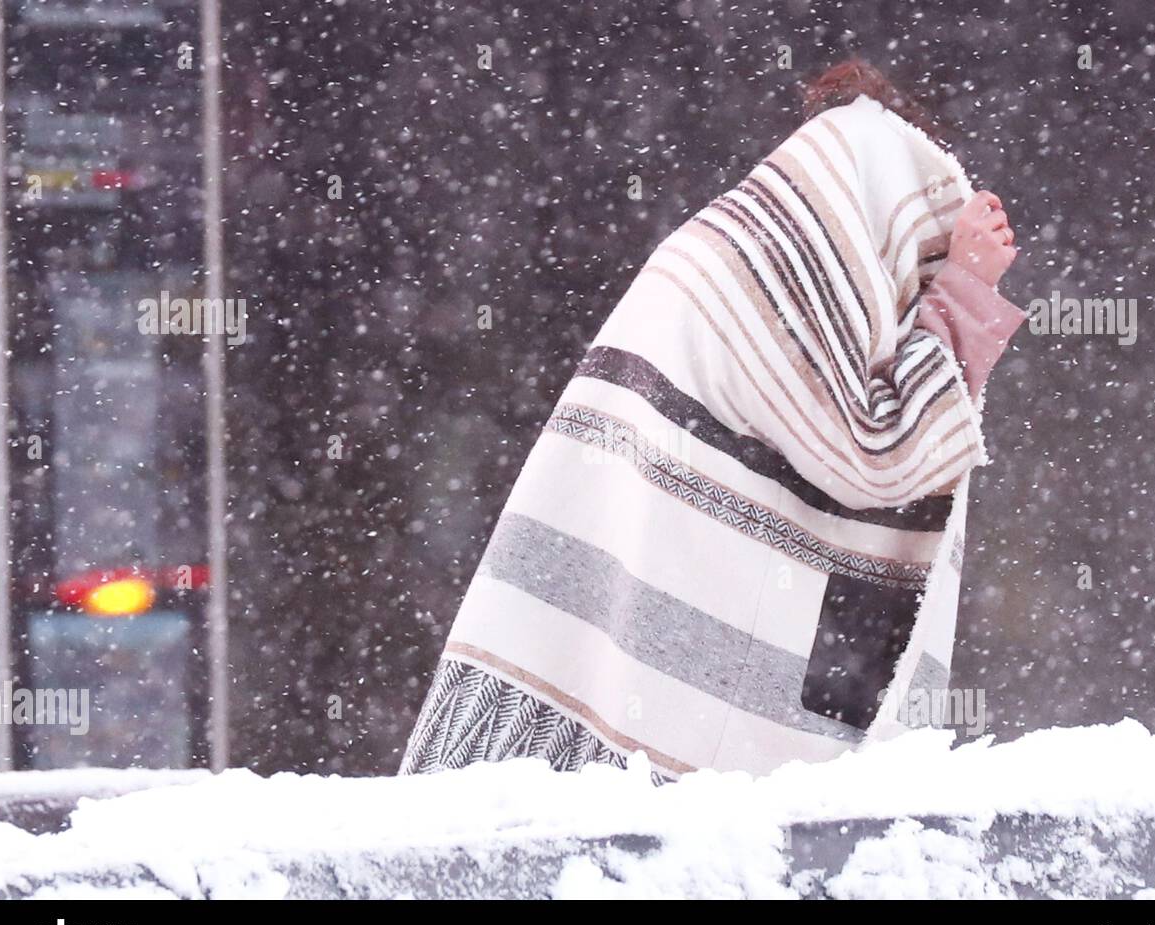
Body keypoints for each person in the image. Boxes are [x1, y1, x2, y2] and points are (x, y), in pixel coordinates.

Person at [400, 59, 1025, 781]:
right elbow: (884, 455)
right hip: (652, 741)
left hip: (603, 704)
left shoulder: (742, 248)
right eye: (917, 250)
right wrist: (966, 287)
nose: (911, 291)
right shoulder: (767, 270)